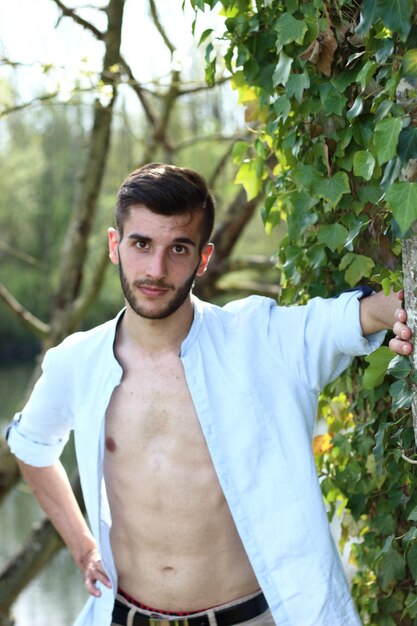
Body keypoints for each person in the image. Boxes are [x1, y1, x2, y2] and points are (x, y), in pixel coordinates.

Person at [6, 163, 413, 626]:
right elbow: (30, 446)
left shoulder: (258, 338)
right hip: (124, 617)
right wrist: (83, 548)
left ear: (203, 258)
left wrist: (400, 314)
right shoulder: (77, 361)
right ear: (115, 246)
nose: (156, 270)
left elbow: (349, 317)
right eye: (142, 244)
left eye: (178, 248)